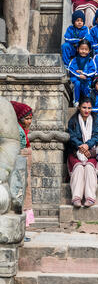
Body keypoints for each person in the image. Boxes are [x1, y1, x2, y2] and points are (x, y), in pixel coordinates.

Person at [67, 97, 98, 207]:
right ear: (79, 107)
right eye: (84, 108)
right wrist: (81, 146)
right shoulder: (73, 121)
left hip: (91, 151)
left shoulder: (96, 120)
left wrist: (88, 145)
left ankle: (90, 197)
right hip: (75, 152)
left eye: (89, 108)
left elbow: (97, 136)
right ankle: (76, 197)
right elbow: (71, 137)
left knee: (89, 168)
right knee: (78, 168)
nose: (87, 110)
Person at [11, 101, 35, 241]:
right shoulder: (19, 131)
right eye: (26, 118)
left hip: (24, 167)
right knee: (22, 197)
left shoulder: (22, 130)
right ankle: (21, 231)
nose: (29, 121)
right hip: (20, 166)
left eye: (31, 118)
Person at [67, 39, 96, 106]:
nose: (83, 51)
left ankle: (87, 103)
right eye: (82, 49)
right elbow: (71, 69)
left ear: (89, 51)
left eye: (86, 49)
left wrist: (84, 73)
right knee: (77, 83)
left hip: (86, 80)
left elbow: (93, 71)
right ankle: (76, 101)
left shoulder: (90, 60)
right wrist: (78, 75)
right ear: (78, 49)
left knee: (86, 86)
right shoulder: (74, 60)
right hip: (75, 80)